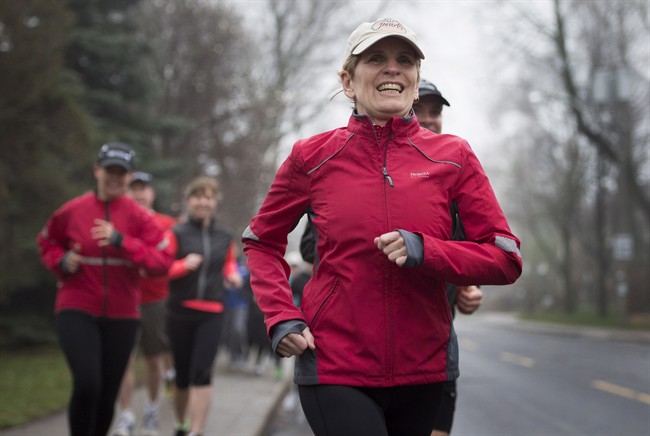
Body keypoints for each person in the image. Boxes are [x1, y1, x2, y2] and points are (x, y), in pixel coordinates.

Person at [242, 17, 522, 436]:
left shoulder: (453, 157)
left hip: (424, 369)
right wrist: (281, 316)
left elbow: (505, 258)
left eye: (404, 60)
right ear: (348, 80)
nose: (393, 68)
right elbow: (261, 242)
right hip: (335, 363)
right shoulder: (311, 156)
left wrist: (428, 251)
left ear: (415, 78)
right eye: (376, 58)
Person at [36, 143, 173, 436]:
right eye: (109, 170)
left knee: (107, 393)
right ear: (96, 170)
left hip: (123, 314)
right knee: (87, 383)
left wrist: (122, 241)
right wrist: (60, 260)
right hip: (76, 307)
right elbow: (46, 241)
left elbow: (162, 260)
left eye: (121, 173)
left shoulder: (138, 216)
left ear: (129, 175)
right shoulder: (73, 210)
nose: (114, 177)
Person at [413, 79, 484, 436]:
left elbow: (472, 248)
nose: (428, 120)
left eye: (435, 112)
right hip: (380, 339)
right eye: (419, 111)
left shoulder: (456, 173)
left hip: (440, 338)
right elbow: (313, 246)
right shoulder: (378, 172)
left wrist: (468, 285)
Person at [166, 176, 242, 436]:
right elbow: (161, 268)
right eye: (198, 197)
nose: (204, 202)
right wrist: (181, 265)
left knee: (202, 371)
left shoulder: (224, 236)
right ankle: (180, 423)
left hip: (212, 311)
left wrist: (233, 275)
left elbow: (229, 262)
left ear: (215, 202)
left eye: (209, 197)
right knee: (183, 375)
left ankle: (196, 431)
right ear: (189, 201)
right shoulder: (177, 233)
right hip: (179, 310)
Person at [113, 172, 177, 436]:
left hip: (155, 300)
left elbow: (167, 261)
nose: (139, 194)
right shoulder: (116, 221)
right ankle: (126, 415)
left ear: (152, 193)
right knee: (123, 361)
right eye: (134, 188)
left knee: (153, 360)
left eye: (144, 189)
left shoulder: (166, 223)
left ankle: (151, 410)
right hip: (122, 298)